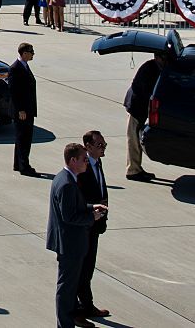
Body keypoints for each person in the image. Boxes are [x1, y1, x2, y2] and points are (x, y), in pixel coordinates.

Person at [47, 143, 108, 328]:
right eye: (83, 159)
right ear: (73, 160)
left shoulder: (65, 178)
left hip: (69, 242)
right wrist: (92, 216)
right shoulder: (66, 184)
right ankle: (65, 324)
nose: (86, 163)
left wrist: (90, 206)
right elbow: (70, 216)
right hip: (70, 244)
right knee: (67, 288)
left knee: (69, 286)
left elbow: (72, 207)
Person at [76, 131, 111, 322]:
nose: (103, 148)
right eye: (99, 145)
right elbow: (80, 199)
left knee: (88, 269)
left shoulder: (98, 163)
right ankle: (78, 311)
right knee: (80, 270)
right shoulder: (83, 166)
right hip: (84, 227)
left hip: (95, 226)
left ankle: (87, 306)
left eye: (104, 145)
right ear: (88, 147)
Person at [123, 52, 167, 181]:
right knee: (134, 139)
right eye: (163, 58)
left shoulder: (158, 68)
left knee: (136, 137)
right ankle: (132, 170)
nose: (165, 61)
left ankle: (136, 167)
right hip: (136, 106)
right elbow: (144, 90)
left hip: (141, 107)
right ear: (157, 57)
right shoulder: (149, 69)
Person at [9, 42, 39, 177]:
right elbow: (14, 91)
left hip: (27, 109)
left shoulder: (24, 66)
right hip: (22, 111)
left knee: (22, 138)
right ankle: (24, 166)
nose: (33, 54)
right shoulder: (15, 68)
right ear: (24, 53)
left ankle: (18, 164)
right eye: (31, 52)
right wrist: (20, 109)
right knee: (24, 139)